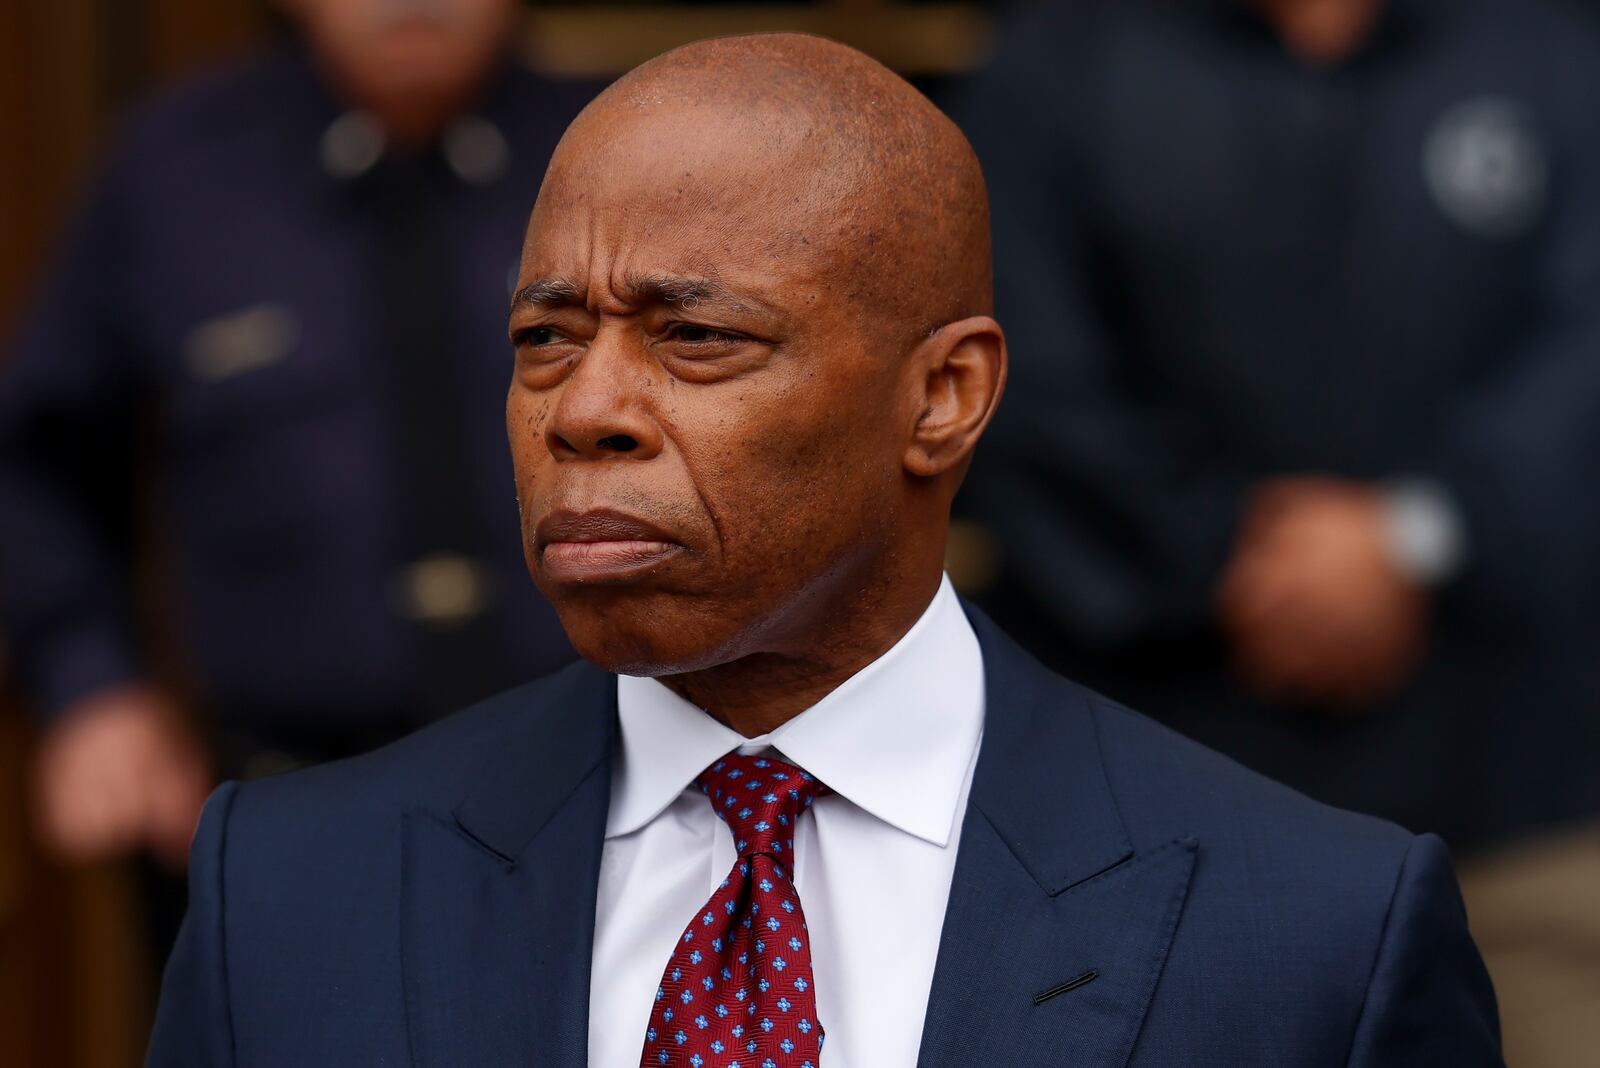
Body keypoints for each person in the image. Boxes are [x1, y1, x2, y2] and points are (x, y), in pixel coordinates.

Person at [146, 33, 1501, 1066]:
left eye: (697, 338)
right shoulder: (287, 901)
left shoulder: (1319, 941)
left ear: (944, 397)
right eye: (545, 340)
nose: (586, 410)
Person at [950, 2, 1600, 1062]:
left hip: (1524, 825)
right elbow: (1015, 376)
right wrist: (1238, 557)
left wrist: (1414, 538)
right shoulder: (1056, 63)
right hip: (1141, 857)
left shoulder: (1554, 50)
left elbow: (1584, 362)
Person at [0, 0, 586, 928]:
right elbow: (34, 462)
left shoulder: (629, 153)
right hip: (279, 811)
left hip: (604, 805)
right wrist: (92, 688)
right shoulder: (172, 169)